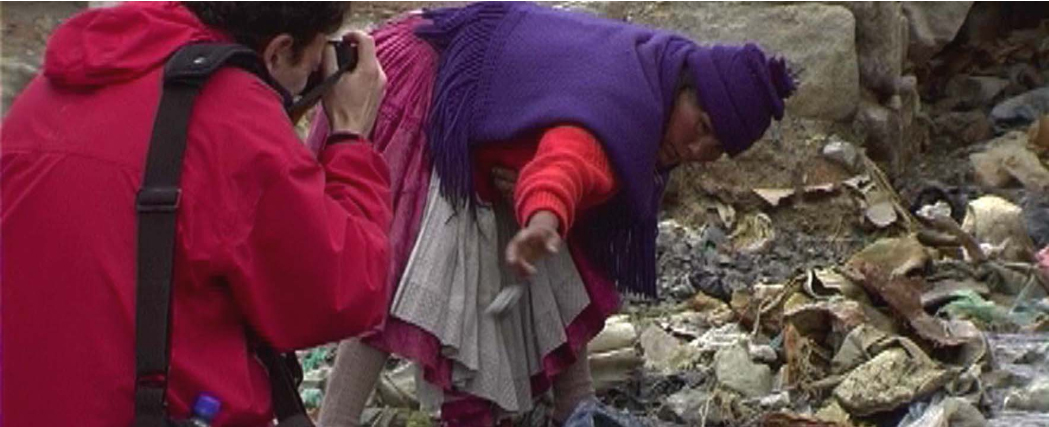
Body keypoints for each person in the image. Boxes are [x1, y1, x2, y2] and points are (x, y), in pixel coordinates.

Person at [312, 2, 796, 425]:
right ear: (684, 90)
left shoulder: (657, 69)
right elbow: (568, 162)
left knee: (570, 262)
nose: (697, 148)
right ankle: (334, 420)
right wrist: (543, 218)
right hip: (425, 81)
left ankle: (576, 408)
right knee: (398, 276)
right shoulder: (620, 113)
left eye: (717, 146)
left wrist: (544, 211)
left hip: (472, 72)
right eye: (703, 125)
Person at [0, 2, 392, 426]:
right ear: (278, 51)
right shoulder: (232, 118)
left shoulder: (49, 91)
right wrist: (351, 135)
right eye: (315, 61)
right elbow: (346, 289)